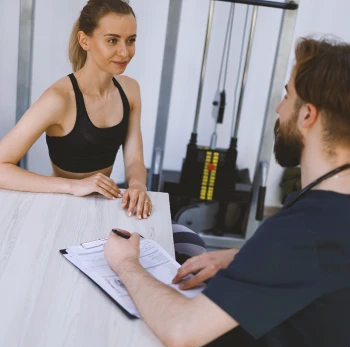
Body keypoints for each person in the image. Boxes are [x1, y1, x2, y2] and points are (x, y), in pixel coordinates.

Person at [104, 37, 350, 347]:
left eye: (287, 96)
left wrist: (126, 263)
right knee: (183, 238)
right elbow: (321, 268)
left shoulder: (303, 230)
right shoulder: (330, 212)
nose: (279, 107)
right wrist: (243, 258)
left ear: (307, 115)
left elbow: (181, 332)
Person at [0, 0, 206, 261]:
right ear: (84, 41)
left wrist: (138, 185)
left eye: (130, 40)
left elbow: (133, 158)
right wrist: (73, 187)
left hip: (107, 205)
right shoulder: (59, 99)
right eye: (112, 40)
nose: (124, 52)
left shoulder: (129, 89)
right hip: (65, 206)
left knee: (192, 247)